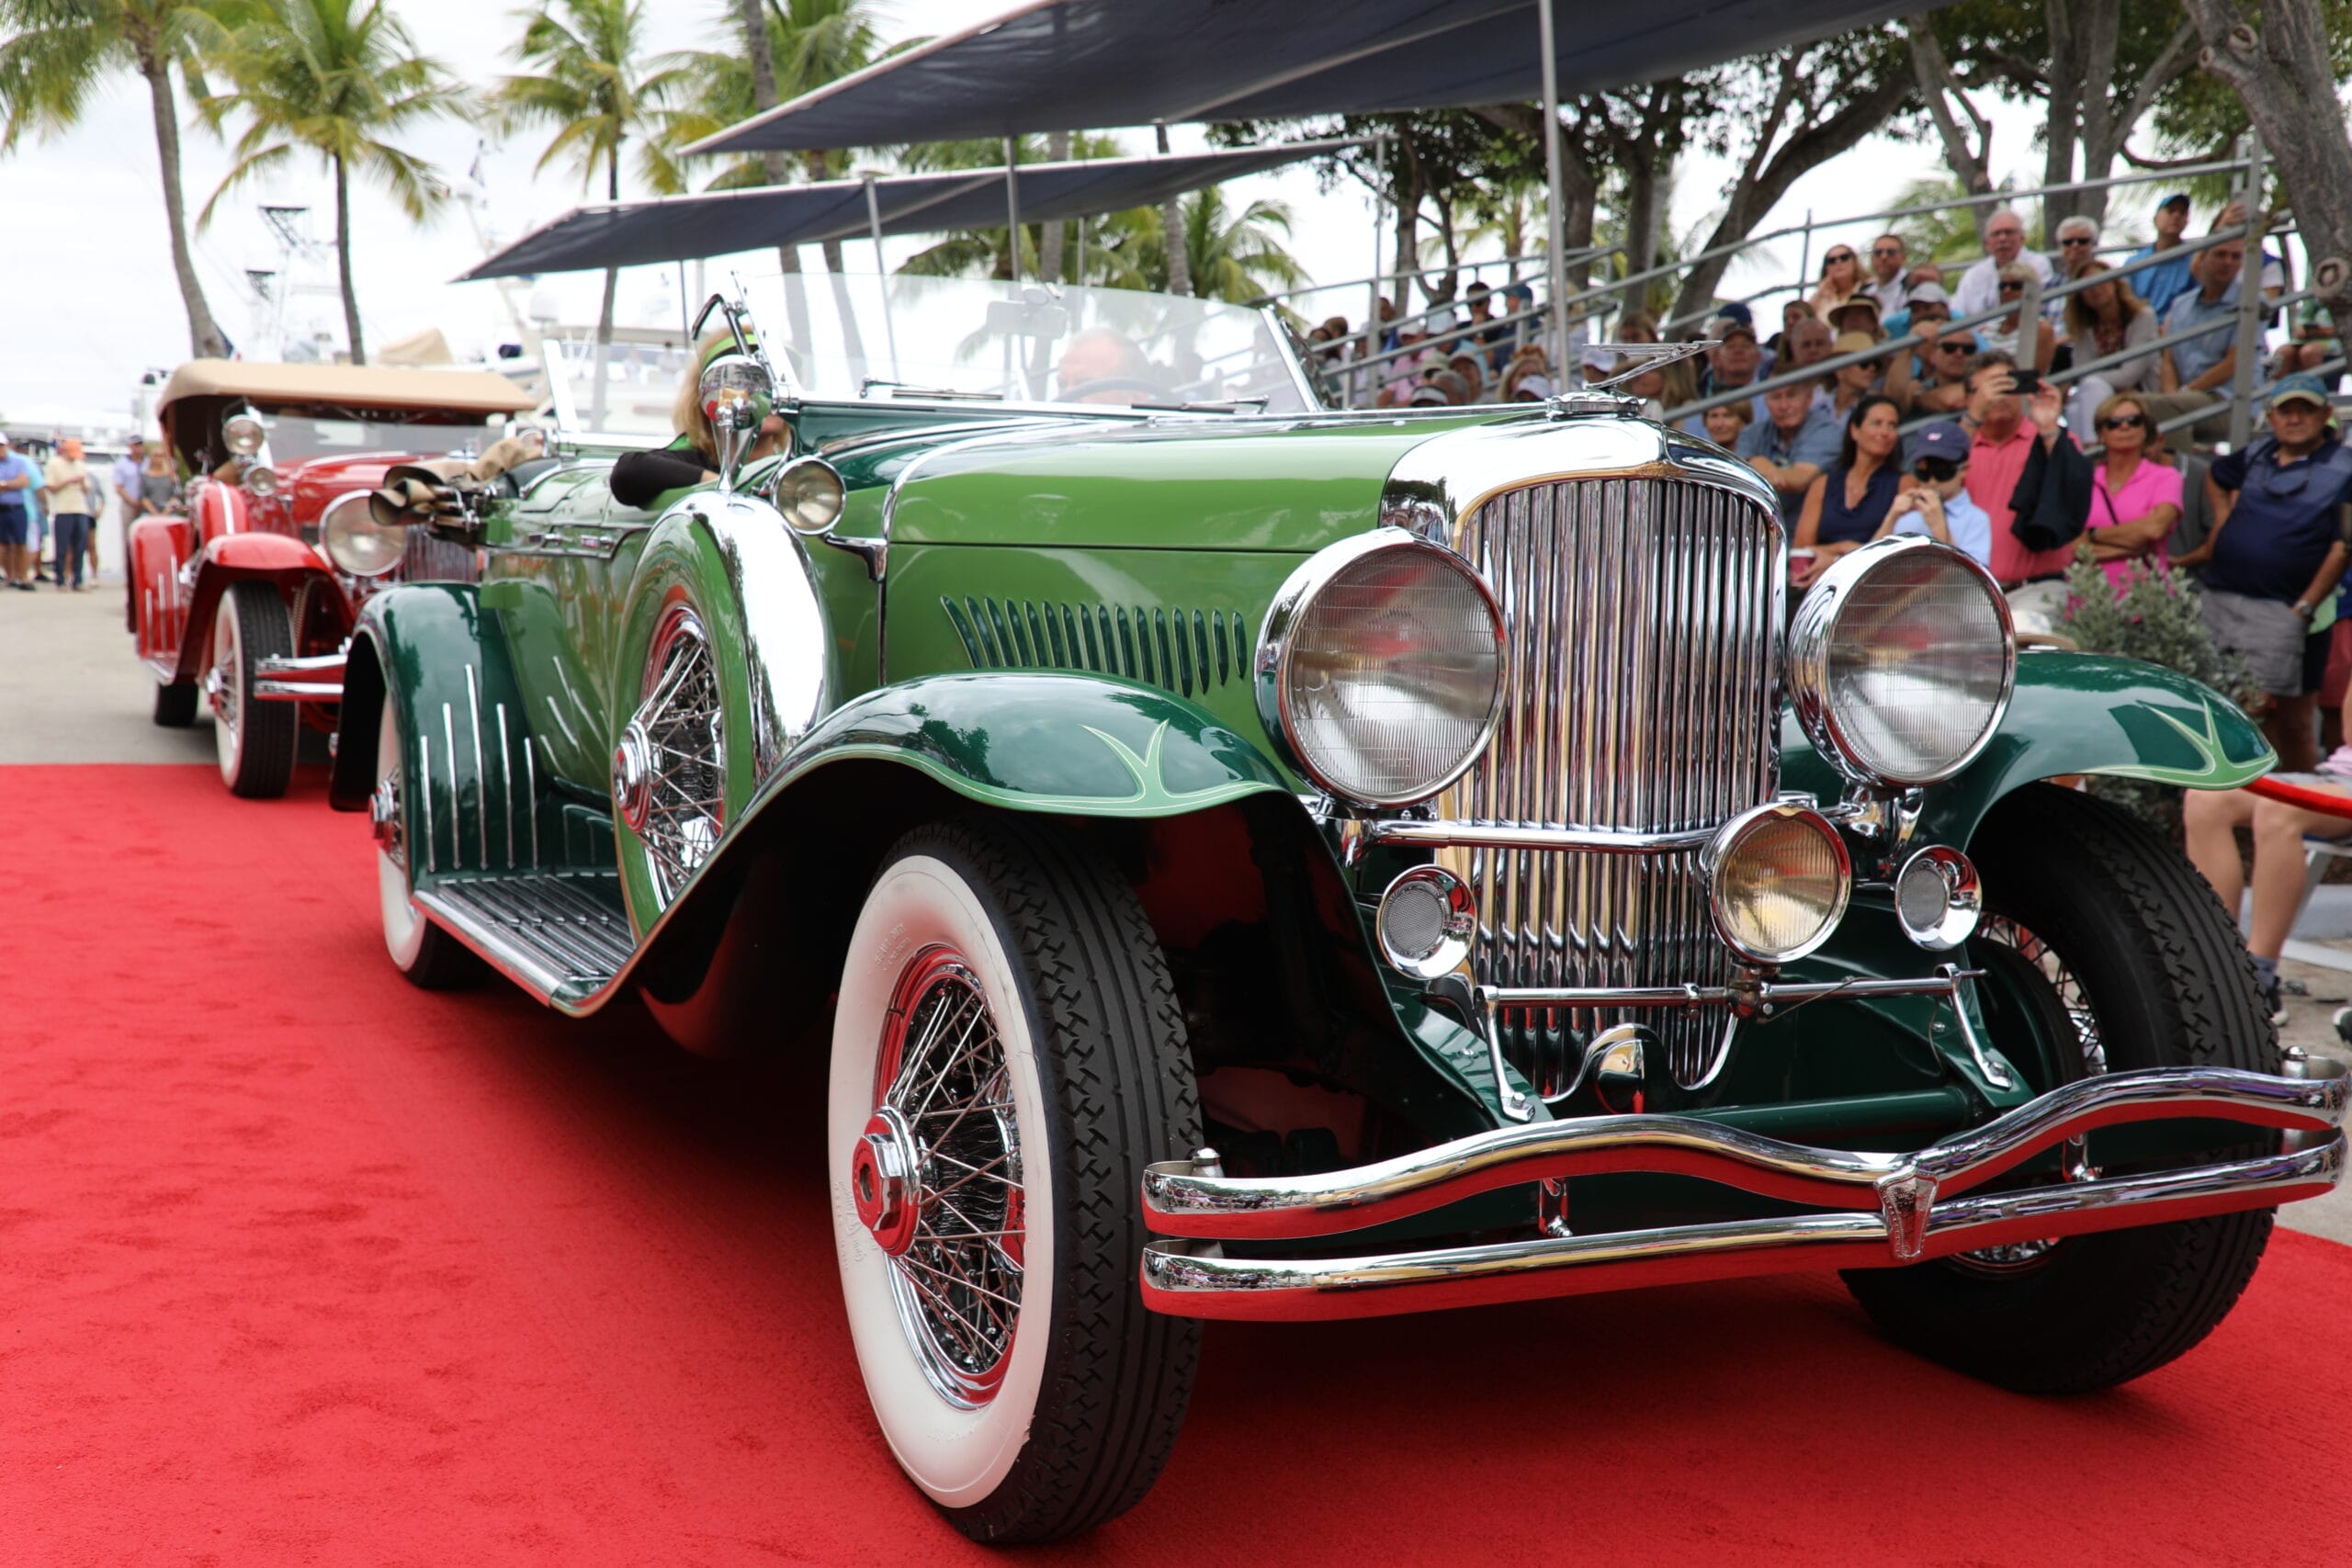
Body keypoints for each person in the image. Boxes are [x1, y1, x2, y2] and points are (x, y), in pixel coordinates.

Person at [2174, 374, 2352, 773]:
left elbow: (2344, 546)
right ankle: (2238, 797)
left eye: (2305, 410)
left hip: (2288, 612)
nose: (2294, 419)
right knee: (2224, 713)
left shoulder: (2346, 466)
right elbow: (2217, 476)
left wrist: (2303, 609)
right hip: (2221, 600)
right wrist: (2224, 525)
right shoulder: (2257, 453)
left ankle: (2297, 800)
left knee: (2290, 722)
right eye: (2285, 411)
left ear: (2326, 414)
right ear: (2270, 417)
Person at [1963, 349, 2080, 631]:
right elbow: (1937, 481)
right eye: (1990, 388)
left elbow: (2070, 490)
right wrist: (1974, 416)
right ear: (1970, 396)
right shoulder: (1959, 444)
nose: (2000, 396)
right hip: (1971, 596)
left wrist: (2049, 428)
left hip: (2038, 590)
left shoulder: (2049, 438)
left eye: (2008, 385)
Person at [607, 333, 793, 510]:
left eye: (773, 381)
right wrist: (717, 485)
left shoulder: (795, 467)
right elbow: (629, 471)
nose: (766, 395)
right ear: (706, 397)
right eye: (741, 382)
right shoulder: (696, 461)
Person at [2140, 237, 2245, 451]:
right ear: (2201, 259)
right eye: (2221, 254)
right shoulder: (2181, 305)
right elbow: (2168, 360)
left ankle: (2179, 468)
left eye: (2236, 257)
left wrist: (2183, 394)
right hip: (2187, 399)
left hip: (2231, 401)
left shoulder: (2250, 303)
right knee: (2136, 408)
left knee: (2154, 407)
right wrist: (2174, 396)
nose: (2228, 262)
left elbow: (2234, 363)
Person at [1793, 393, 1903, 585]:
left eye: (1892, 425)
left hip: (1874, 585)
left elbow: (1896, 553)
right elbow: (1802, 551)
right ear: (1854, 430)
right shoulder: (1823, 484)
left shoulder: (1905, 484)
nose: (1885, 432)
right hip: (1820, 583)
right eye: (1877, 423)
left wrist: (1835, 558)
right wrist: (1846, 547)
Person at [2081, 392, 2182, 590]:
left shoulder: (2166, 477)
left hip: (2148, 597)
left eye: (2134, 421)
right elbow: (2074, 547)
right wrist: (2133, 547)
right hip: (2089, 598)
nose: (2125, 427)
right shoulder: (2083, 481)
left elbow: (2154, 529)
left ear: (2145, 430)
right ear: (2101, 434)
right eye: (2114, 423)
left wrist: (2093, 534)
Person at [2060, 258, 2161, 431]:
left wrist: (2092, 379)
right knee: (2074, 408)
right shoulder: (2084, 328)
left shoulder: (2143, 317)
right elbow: (2082, 371)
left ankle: (2094, 445)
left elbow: (2130, 375)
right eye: (2087, 286)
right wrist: (2091, 381)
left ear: (2115, 283)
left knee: (2091, 386)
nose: (2095, 289)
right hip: (2099, 395)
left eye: (2100, 281)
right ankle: (2090, 446)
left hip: (2141, 393)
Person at [1875, 420, 1993, 567]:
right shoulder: (1906, 515)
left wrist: (1939, 526)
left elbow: (1968, 578)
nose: (1932, 481)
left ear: (1963, 469)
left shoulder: (1976, 519)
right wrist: (1891, 518)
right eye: (1924, 472)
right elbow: (1868, 567)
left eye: (1941, 472)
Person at [1737, 378, 1842, 526]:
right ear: (1766, 401)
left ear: (1809, 398)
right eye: (1776, 397)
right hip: (1759, 527)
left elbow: (1801, 479)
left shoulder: (1828, 431)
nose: (1784, 406)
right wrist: (1756, 465)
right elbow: (1738, 482)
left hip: (1809, 530)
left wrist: (1761, 467)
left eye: (1792, 395)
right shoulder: (1751, 433)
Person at [1952, 208, 2055, 319]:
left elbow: (2044, 308)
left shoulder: (2038, 264)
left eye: (2008, 232)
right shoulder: (1973, 275)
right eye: (1996, 234)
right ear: (1987, 243)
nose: (2002, 238)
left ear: (2022, 238)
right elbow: (1957, 313)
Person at [2126, 193, 2199, 319]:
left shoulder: (2195, 262)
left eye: (2182, 213)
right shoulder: (2134, 263)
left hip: (2179, 327)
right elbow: (2125, 302)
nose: (2176, 216)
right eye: (2171, 211)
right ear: (2155, 219)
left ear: (2186, 221)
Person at [1885, 321, 1977, 418]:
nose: (1959, 354)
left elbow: (1952, 400)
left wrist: (1916, 397)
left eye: (1968, 349)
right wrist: (1909, 347)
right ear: (1933, 355)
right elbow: (1893, 403)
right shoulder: (1923, 385)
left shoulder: (1979, 381)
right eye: (1950, 347)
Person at [41, 435, 96, 592]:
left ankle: (77, 579)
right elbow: (51, 488)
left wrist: (81, 482)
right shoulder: (54, 464)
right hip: (63, 509)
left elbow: (86, 490)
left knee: (80, 546)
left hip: (81, 509)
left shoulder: (80, 464)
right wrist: (68, 481)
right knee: (62, 547)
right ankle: (60, 580)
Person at [1979, 263, 2056, 369]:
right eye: (2003, 286)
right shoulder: (1986, 330)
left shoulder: (2041, 330)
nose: (2007, 291)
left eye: (2015, 286)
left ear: (2030, 291)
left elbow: (2036, 373)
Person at [0, 434, 35, 590]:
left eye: (1, 446)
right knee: (3, 545)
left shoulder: (19, 462)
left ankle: (23, 576)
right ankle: (10, 576)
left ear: (6, 446)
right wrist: (11, 484)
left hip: (16, 508)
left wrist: (4, 484)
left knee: (21, 543)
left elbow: (23, 482)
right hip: (1, 509)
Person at [1824, 332, 1883, 419]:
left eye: (1876, 364)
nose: (1872, 368)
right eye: (1864, 363)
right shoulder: (1816, 403)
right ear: (1840, 370)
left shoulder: (1876, 408)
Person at [1808, 243, 1863, 318]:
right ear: (1826, 268)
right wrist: (1819, 294)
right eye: (1832, 261)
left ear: (1854, 262)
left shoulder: (1868, 289)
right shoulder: (1820, 298)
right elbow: (1806, 318)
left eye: (1844, 257)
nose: (1838, 262)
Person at [1864, 232, 1911, 319]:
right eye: (1878, 253)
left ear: (1903, 258)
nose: (1884, 257)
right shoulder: (1865, 292)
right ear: (1872, 258)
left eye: (1891, 252)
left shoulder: (1913, 287)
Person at [2052, 216, 2101, 289]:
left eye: (2082, 241)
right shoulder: (2051, 285)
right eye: (2068, 242)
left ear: (2095, 244)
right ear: (2059, 246)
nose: (2075, 245)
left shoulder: (2107, 280)